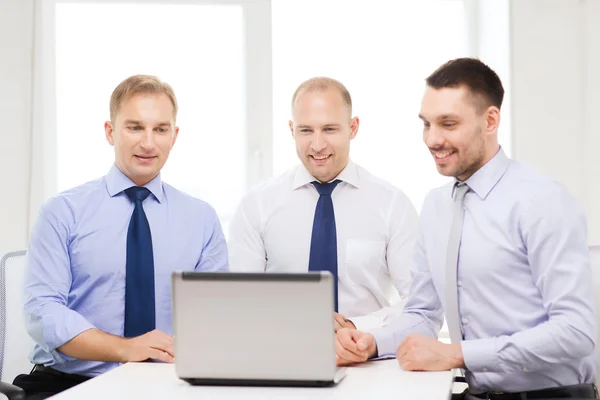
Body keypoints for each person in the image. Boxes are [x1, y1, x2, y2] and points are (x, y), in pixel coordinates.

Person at [335, 58, 598, 399]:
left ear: (490, 120)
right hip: (472, 394)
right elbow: (422, 312)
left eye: (448, 124)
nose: (432, 139)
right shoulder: (436, 206)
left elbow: (576, 332)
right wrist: (372, 343)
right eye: (426, 124)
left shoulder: (542, 201)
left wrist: (456, 354)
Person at [14, 75, 229, 399]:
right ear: (110, 131)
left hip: (169, 385)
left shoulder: (201, 219)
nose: (148, 143)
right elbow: (43, 312)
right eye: (134, 127)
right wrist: (125, 349)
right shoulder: (63, 212)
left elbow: (218, 313)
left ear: (174, 135)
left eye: (160, 129)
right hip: (71, 384)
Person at [228, 77, 418, 332]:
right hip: (281, 355)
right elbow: (240, 302)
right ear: (291, 129)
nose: (317, 145)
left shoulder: (392, 205)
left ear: (353, 128)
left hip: (369, 360)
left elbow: (419, 303)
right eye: (306, 130)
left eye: (329, 129)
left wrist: (356, 327)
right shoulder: (257, 206)